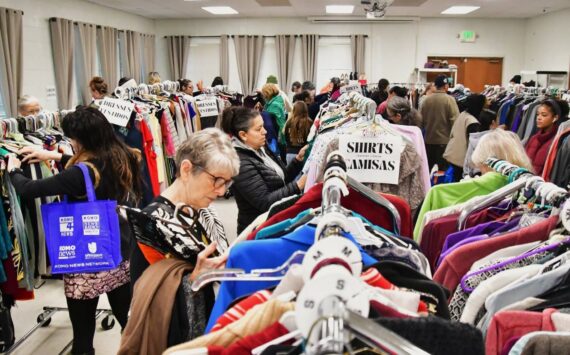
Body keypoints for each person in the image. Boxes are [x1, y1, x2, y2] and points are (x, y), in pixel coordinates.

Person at [7, 107, 143, 355]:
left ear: (81, 140)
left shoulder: (80, 174)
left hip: (85, 259)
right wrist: (52, 156)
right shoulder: (122, 155)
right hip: (118, 249)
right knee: (129, 320)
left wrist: (13, 169)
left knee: (82, 331)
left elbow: (29, 189)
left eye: (71, 138)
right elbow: (92, 167)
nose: (70, 142)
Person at [123, 128, 239, 350]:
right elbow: (144, 300)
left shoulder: (204, 212)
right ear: (186, 169)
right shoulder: (151, 226)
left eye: (227, 183)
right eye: (216, 180)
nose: (222, 191)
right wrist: (194, 280)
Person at [221, 107, 307, 233]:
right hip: (258, 229)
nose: (265, 131)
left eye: (263, 126)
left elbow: (280, 180)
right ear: (243, 135)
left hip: (273, 221)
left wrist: (297, 161)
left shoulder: (261, 148)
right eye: (258, 129)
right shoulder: (239, 163)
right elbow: (264, 202)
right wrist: (298, 185)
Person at [420, 75, 460, 170]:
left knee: (428, 170)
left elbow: (421, 120)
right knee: (442, 171)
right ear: (445, 86)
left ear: (436, 85)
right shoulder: (449, 100)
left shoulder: (426, 100)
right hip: (444, 142)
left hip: (428, 141)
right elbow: (455, 121)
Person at [444, 94, 487, 181]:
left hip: (453, 153)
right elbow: (473, 145)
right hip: (461, 159)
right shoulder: (472, 122)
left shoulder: (463, 114)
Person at [525, 99, 565, 175]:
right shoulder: (533, 138)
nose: (538, 118)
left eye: (544, 115)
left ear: (555, 118)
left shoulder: (557, 142)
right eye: (537, 114)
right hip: (525, 181)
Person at [261, 83, 287, 157]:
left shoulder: (274, 104)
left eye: (264, 92)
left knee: (274, 156)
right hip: (274, 133)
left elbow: (277, 121)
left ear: (267, 93)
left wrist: (263, 112)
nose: (263, 95)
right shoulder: (273, 102)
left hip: (275, 135)